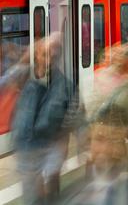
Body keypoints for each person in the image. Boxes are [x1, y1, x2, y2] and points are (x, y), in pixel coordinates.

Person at [13, 35, 80, 204]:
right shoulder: (24, 76)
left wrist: (64, 148)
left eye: (54, 56)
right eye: (45, 54)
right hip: (27, 151)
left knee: (50, 186)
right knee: (32, 195)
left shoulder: (67, 86)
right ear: (36, 55)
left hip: (50, 147)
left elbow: (71, 120)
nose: (49, 61)